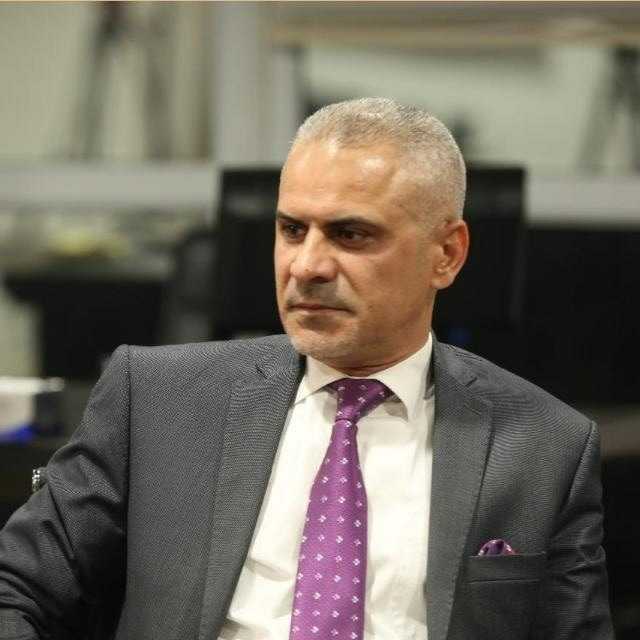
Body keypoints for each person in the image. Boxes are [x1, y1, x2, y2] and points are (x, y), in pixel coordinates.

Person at [0, 98, 613, 640]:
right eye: (292, 229)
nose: (306, 266)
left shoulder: (545, 446)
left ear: (447, 254)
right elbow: (17, 587)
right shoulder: (158, 399)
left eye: (350, 234)